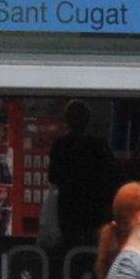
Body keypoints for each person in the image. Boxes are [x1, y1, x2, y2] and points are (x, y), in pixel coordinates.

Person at [49, 102, 121, 250]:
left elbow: (53, 176)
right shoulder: (98, 145)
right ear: (88, 120)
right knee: (93, 252)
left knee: (70, 252)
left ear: (67, 120)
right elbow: (112, 175)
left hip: (68, 210)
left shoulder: (60, 145)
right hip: (95, 210)